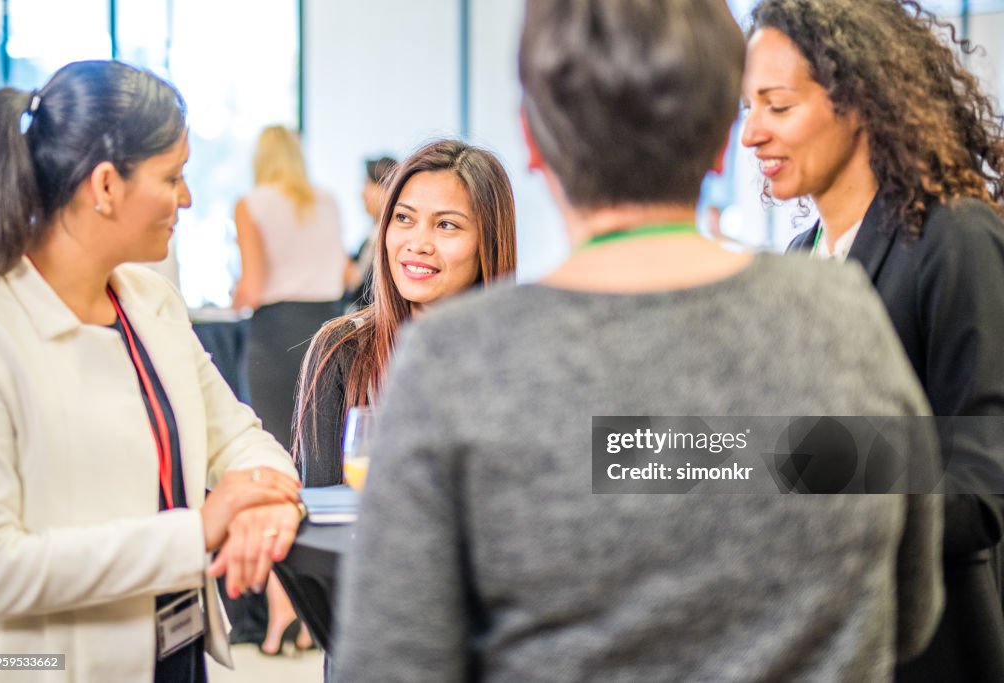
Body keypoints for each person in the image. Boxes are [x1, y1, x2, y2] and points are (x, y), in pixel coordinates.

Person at [333, 2, 944, 681]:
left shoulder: (456, 363)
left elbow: (391, 661)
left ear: (532, 142)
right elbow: (910, 604)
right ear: (720, 141)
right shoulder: (845, 318)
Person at [0, 61, 304, 683]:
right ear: (105, 186)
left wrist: (267, 503)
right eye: (173, 177)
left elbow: (237, 436)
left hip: (175, 651)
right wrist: (198, 532)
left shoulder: (151, 303)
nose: (187, 198)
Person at [740, 1, 1004, 679]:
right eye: (748, 108)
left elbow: (980, 487)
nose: (752, 134)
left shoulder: (956, 239)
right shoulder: (798, 262)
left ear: (857, 100)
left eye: (777, 105)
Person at [293, 139, 517, 488]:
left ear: (488, 242)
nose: (418, 243)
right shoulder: (342, 351)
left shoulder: (526, 356)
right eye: (403, 218)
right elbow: (325, 504)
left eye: (446, 225)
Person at [233, 125, 352, 452]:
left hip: (274, 339)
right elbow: (347, 275)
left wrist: (236, 295)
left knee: (277, 448)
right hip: (327, 332)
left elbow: (252, 290)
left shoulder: (251, 204)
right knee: (324, 450)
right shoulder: (327, 201)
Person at [344, 155, 398, 311]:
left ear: (389, 189)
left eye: (369, 184)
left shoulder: (393, 240)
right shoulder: (369, 238)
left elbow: (358, 284)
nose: (362, 193)